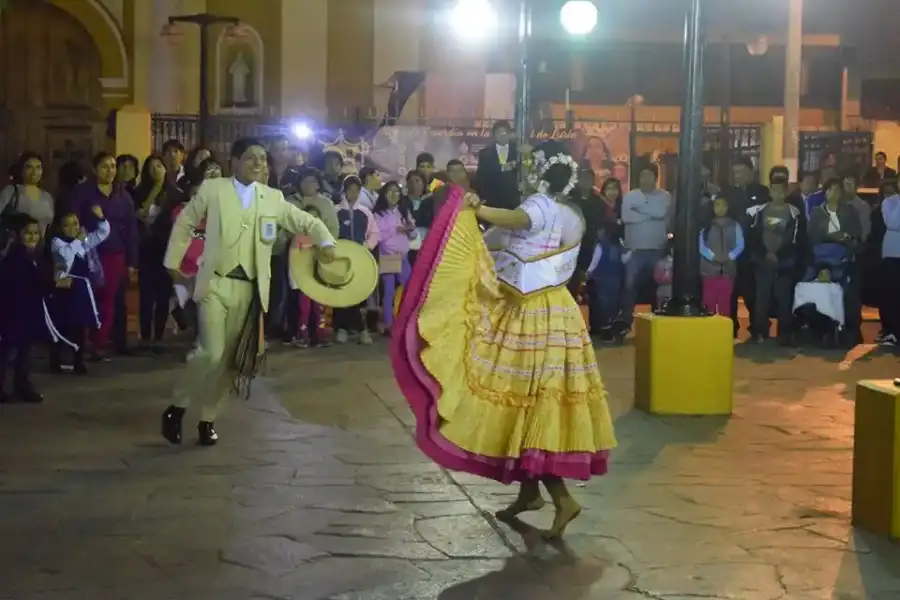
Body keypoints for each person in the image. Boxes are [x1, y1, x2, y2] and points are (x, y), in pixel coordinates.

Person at [391, 148, 616, 539]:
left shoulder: (540, 206)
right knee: (527, 402)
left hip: (533, 313)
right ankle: (531, 494)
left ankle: (563, 500)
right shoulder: (571, 214)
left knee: (527, 400)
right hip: (555, 309)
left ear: (538, 178)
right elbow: (506, 239)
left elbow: (516, 221)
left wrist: (478, 209)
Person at [160, 137, 338, 447]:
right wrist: (173, 264)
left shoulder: (271, 198)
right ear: (235, 161)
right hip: (215, 282)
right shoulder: (213, 190)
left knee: (232, 360)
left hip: (250, 288)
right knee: (210, 352)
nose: (258, 164)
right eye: (251, 158)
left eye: (262, 159)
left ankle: (208, 419)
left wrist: (325, 242)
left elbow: (304, 220)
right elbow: (186, 222)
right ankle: (178, 406)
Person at [72, 152, 138, 361]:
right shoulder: (83, 193)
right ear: (94, 169)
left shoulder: (123, 196)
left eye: (112, 166)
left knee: (108, 299)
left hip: (114, 253)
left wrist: (131, 262)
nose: (110, 171)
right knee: (85, 298)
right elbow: (72, 221)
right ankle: (79, 343)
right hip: (89, 252)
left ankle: (100, 344)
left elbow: (130, 230)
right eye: (104, 167)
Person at [0, 215, 71, 403]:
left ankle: (22, 386)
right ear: (16, 235)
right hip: (12, 312)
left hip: (28, 311)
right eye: (28, 233)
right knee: (8, 351)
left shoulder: (36, 256)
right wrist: (54, 284)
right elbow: (25, 285)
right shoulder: (14, 259)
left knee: (24, 351)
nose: (33, 237)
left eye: (35, 233)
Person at [48, 206, 110, 374]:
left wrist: (101, 218)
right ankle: (55, 359)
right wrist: (79, 240)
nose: (73, 228)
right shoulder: (57, 243)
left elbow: (102, 234)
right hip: (64, 290)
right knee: (62, 325)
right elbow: (67, 257)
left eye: (75, 223)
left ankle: (78, 360)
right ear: (60, 227)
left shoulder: (82, 241)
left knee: (80, 327)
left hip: (80, 290)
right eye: (67, 225)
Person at [808, 178, 864, 346]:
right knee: (821, 293)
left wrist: (845, 239)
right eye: (830, 189)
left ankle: (850, 331)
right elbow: (812, 235)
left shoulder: (849, 210)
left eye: (837, 190)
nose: (834, 193)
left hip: (845, 258)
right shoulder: (817, 212)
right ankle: (823, 330)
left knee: (850, 295)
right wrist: (830, 236)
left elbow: (856, 234)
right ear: (825, 192)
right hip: (822, 260)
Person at [747, 176, 802, 344]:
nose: (778, 194)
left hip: (784, 263)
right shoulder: (759, 211)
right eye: (774, 190)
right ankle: (760, 331)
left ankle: (784, 333)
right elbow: (753, 236)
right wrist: (765, 253)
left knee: (784, 299)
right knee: (761, 298)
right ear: (770, 191)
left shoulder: (794, 213)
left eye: (781, 191)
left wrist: (780, 254)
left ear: (786, 192)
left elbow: (796, 239)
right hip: (763, 262)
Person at [618, 164, 671, 333]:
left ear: (656, 178)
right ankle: (625, 321)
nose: (644, 179)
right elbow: (627, 217)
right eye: (642, 176)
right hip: (634, 250)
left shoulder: (665, 196)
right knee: (629, 286)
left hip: (657, 249)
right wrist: (651, 215)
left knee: (659, 286)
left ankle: (658, 320)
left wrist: (639, 210)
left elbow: (661, 213)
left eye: (648, 176)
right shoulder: (630, 196)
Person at [332, 176, 379, 345]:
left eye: (356, 190)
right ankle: (358, 329)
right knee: (341, 292)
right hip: (340, 260)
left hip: (359, 259)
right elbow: (329, 232)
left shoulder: (365, 212)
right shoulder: (335, 211)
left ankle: (345, 329)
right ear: (344, 191)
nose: (353, 193)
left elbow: (374, 233)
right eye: (350, 189)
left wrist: (366, 247)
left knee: (357, 293)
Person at [373, 181, 416, 336]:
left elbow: (413, 235)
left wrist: (410, 229)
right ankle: (389, 323)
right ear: (384, 195)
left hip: (403, 256)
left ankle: (407, 322)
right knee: (389, 291)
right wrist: (396, 229)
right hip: (388, 256)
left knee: (409, 289)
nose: (394, 195)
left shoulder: (403, 212)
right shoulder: (379, 214)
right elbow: (378, 236)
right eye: (390, 192)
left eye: (396, 192)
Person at [699, 196, 744, 318]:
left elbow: (740, 244)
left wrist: (730, 256)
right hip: (709, 269)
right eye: (717, 205)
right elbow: (701, 245)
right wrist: (713, 257)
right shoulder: (706, 225)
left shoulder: (735, 225)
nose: (720, 208)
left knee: (725, 303)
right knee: (709, 302)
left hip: (728, 269)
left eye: (723, 205)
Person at [475, 120, 520, 210]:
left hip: (513, 200)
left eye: (505, 133)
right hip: (493, 200)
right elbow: (481, 174)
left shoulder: (518, 150)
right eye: (499, 133)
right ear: (494, 135)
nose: (502, 136)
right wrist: (501, 168)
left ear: (510, 134)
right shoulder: (485, 153)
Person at [879, 181, 900, 348]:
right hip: (892, 253)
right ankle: (890, 331)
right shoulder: (889, 202)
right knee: (891, 294)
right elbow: (892, 223)